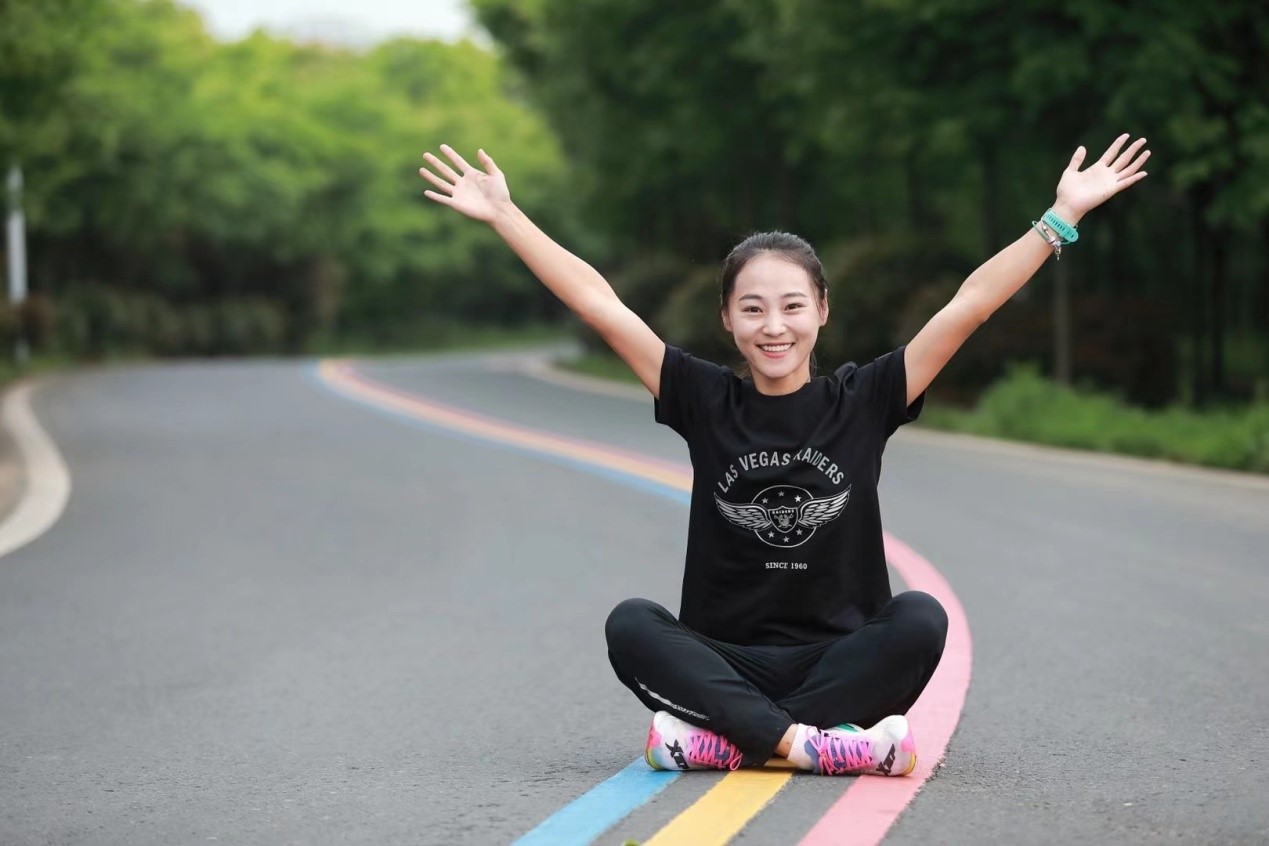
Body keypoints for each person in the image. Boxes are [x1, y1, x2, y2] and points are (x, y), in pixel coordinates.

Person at [418, 135, 1150, 776]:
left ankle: (730, 740)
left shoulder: (865, 398)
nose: (774, 326)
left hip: (840, 660)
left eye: (793, 305)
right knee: (631, 623)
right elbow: (599, 303)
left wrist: (1060, 217)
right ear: (727, 319)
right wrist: (507, 216)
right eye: (753, 308)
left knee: (921, 618)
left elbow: (969, 305)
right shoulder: (703, 398)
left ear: (822, 311)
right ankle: (812, 745)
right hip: (724, 658)